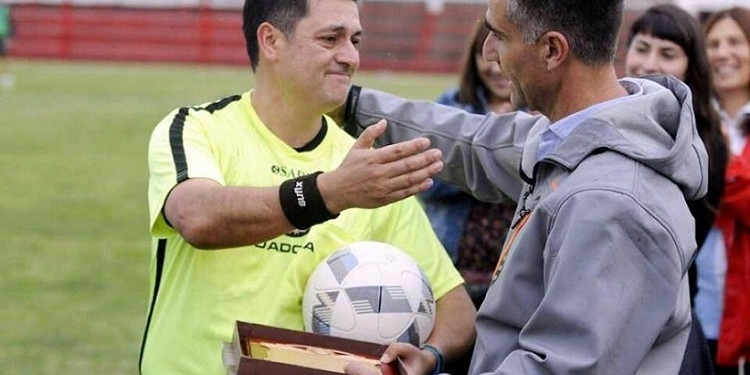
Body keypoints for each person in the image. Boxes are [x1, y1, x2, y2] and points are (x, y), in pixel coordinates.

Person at [342, 0, 709, 373]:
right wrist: (349, 105)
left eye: (498, 36)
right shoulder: (577, 136)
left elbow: (556, 368)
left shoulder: (612, 203)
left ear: (551, 50)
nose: (487, 53)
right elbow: (473, 143)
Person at [139, 0, 476, 374]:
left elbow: (456, 309)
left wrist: (427, 356)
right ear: (270, 41)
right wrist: (328, 194)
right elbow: (198, 217)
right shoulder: (198, 128)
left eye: (356, 41)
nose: (350, 56)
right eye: (331, 39)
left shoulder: (364, 166)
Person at [624, 4, 729, 374]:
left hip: (667, 322)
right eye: (641, 48)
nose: (649, 63)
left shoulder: (707, 144)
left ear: (691, 66)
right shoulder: (598, 122)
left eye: (667, 54)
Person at [421, 20, 518, 309]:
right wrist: (488, 144)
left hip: (513, 283)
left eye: (506, 53)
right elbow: (427, 185)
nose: (497, 67)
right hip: (454, 273)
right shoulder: (451, 107)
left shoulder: (540, 115)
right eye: (486, 54)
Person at [696, 6, 750, 374]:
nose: (722, 53)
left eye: (735, 41)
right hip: (697, 304)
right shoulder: (690, 119)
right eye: (712, 44)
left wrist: (720, 164)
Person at [0, 3, 13, 90]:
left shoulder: (4, 9)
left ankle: (5, 74)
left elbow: (9, 22)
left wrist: (9, 35)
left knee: (4, 56)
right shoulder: (5, 9)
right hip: (3, 34)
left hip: (2, 35)